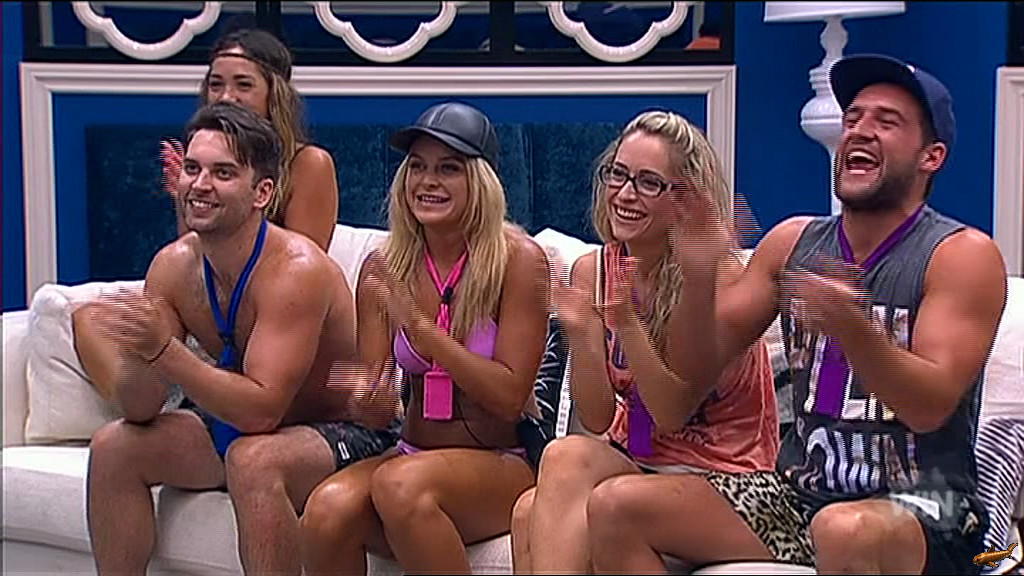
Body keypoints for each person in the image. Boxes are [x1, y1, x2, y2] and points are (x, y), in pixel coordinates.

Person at [589, 54, 1008, 575]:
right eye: (853, 117)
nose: (860, 130)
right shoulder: (792, 242)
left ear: (932, 156)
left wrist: (855, 331)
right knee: (616, 507)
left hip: (929, 507)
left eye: (887, 121)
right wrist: (697, 278)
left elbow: (930, 407)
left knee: (844, 529)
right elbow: (692, 374)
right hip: (800, 496)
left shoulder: (960, 255)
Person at [83, 102, 399, 576]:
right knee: (114, 446)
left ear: (262, 193)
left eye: (223, 173)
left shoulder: (296, 271)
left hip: (346, 428)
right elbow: (141, 408)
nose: (200, 185)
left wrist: (166, 351)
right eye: (192, 169)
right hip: (238, 421)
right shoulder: (172, 267)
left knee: (254, 460)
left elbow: (261, 411)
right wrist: (140, 353)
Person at [509, 109, 780, 574]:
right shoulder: (595, 270)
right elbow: (597, 417)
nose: (625, 194)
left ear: (685, 199)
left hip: (725, 475)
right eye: (618, 174)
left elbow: (670, 412)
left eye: (648, 182)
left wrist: (626, 324)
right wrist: (582, 333)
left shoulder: (715, 279)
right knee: (529, 506)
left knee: (571, 473)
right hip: (640, 461)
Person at [299, 101, 550, 575]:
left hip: (500, 461)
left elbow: (510, 397)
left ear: (481, 181)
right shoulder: (383, 267)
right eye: (417, 167)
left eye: (448, 168)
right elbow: (375, 400)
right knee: (326, 509)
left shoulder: (520, 261)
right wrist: (364, 398)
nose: (427, 181)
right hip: (411, 451)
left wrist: (420, 330)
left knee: (401, 486)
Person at [73, 26, 339, 403]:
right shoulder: (199, 167)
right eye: (216, 84)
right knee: (88, 319)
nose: (226, 96)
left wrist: (168, 348)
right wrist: (188, 201)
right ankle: (150, 404)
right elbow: (198, 259)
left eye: (243, 85)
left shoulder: (308, 165)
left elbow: (300, 270)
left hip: (277, 324)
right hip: (220, 316)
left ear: (274, 94)